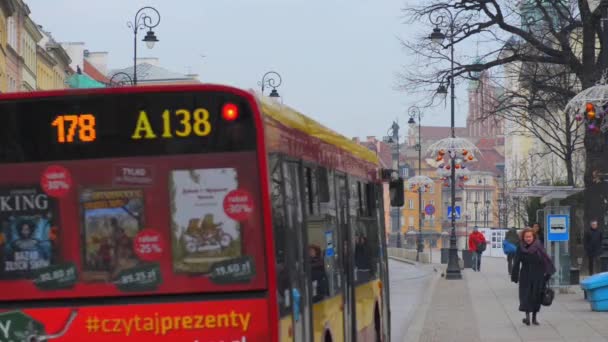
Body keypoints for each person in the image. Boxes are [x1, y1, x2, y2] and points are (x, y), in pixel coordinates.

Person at [511, 228, 556, 326]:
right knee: (526, 296)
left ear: (533, 237)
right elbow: (516, 262)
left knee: (536, 296)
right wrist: (515, 275)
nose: (528, 238)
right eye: (526, 237)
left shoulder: (538, 246)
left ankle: (534, 318)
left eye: (530, 236)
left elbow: (546, 259)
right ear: (523, 237)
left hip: (538, 275)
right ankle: (527, 317)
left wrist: (548, 273)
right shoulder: (520, 247)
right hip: (525, 275)